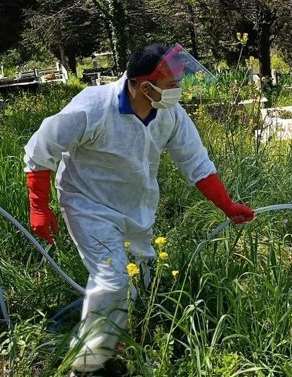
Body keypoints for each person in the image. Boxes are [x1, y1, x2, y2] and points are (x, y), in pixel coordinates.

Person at [24, 44, 254, 374]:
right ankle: (84, 366)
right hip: (88, 204)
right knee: (114, 281)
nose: (178, 90)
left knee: (143, 280)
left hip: (136, 205)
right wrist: (39, 207)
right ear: (145, 87)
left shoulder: (170, 113)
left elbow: (196, 162)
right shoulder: (93, 107)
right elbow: (41, 149)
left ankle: (120, 341)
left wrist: (227, 205)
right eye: (173, 84)